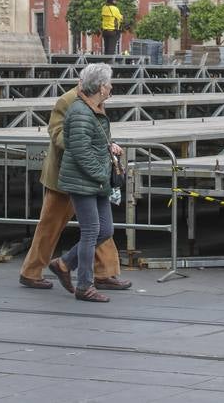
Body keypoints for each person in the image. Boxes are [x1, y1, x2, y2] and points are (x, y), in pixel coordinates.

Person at [19, 79, 130, 293]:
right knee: (52, 225)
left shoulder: (94, 100)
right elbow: (58, 133)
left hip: (84, 174)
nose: (109, 90)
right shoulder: (69, 100)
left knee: (97, 227)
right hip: (65, 174)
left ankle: (104, 272)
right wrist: (85, 146)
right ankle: (31, 272)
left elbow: (98, 132)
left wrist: (105, 145)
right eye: (106, 85)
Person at [54, 63, 123, 302]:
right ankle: (84, 285)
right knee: (92, 231)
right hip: (85, 181)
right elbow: (80, 150)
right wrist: (101, 173)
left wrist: (109, 148)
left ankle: (64, 263)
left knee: (105, 230)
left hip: (94, 181)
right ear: (102, 87)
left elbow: (89, 144)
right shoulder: (82, 111)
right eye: (109, 84)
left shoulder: (93, 108)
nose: (111, 87)